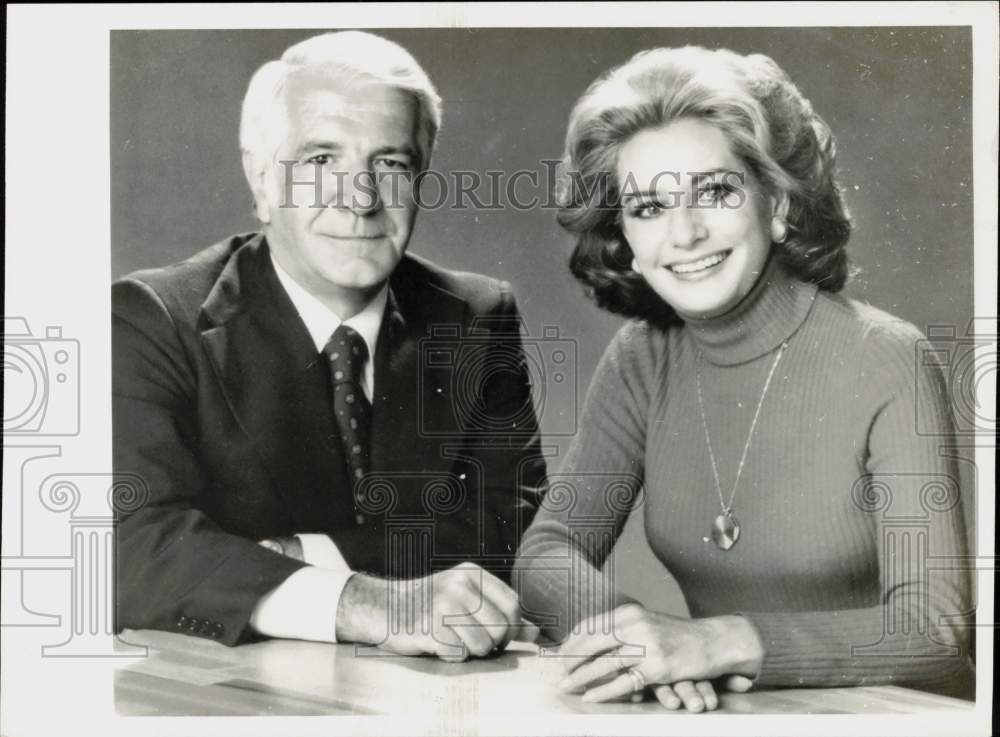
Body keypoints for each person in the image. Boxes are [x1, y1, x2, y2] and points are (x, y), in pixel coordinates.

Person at [515, 46, 973, 711]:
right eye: (648, 206)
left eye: (717, 191)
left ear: (779, 203)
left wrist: (715, 643)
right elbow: (547, 551)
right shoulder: (641, 358)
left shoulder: (888, 357)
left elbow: (935, 630)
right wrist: (635, 639)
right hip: (735, 714)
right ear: (626, 238)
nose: (686, 232)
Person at [113, 31, 545, 660]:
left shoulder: (477, 317)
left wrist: (299, 557)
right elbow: (129, 545)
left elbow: (517, 530)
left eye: (391, 164)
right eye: (322, 161)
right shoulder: (152, 319)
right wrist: (362, 601)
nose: (362, 198)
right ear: (261, 179)